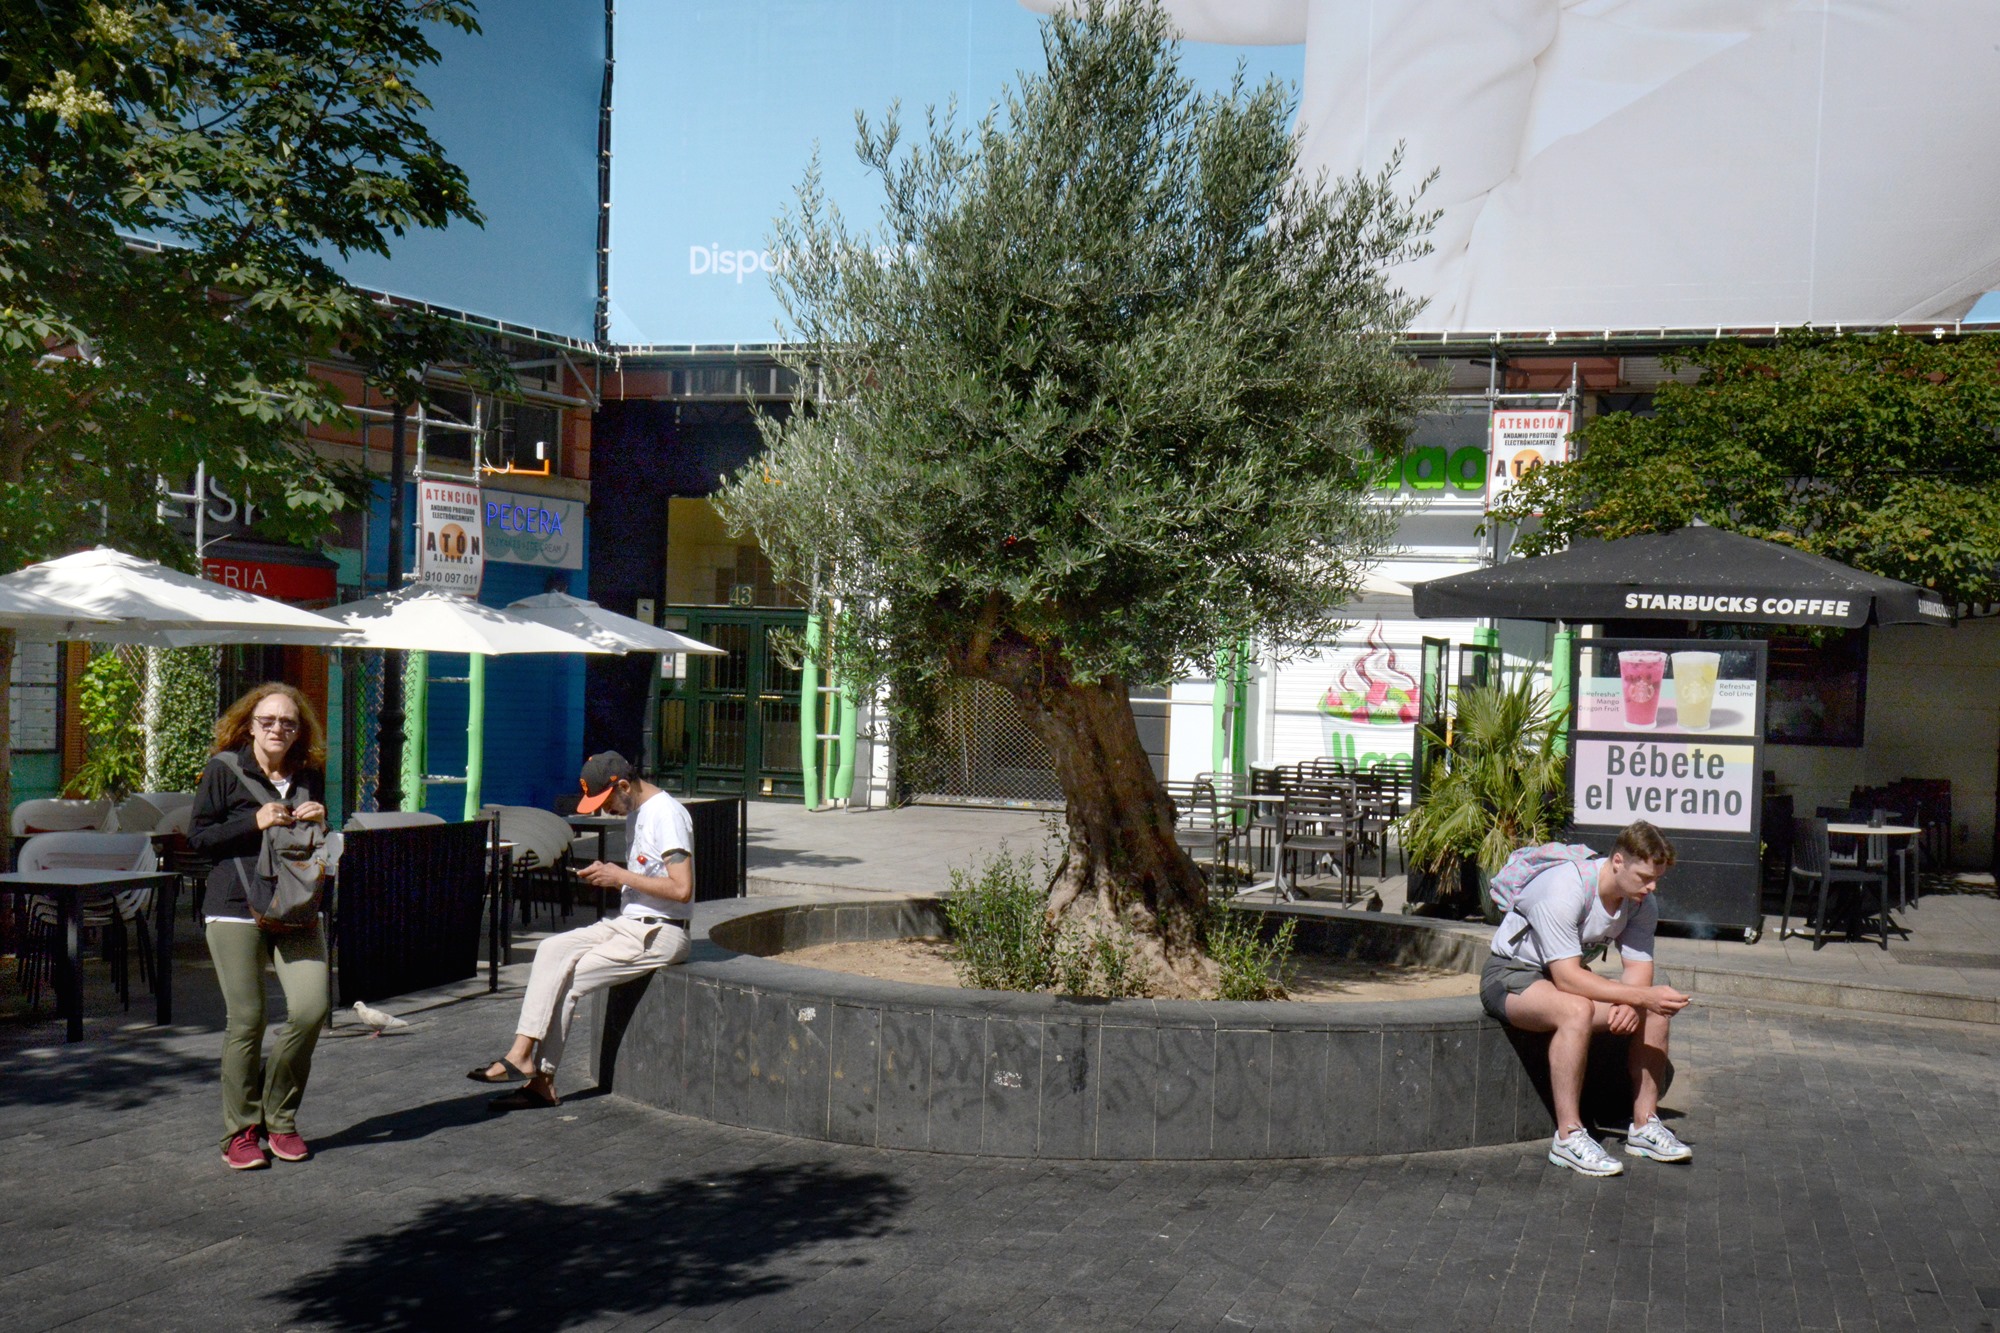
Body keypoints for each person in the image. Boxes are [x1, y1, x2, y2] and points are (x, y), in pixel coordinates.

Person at [468, 752, 693, 1110]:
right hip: (629, 924)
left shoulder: (667, 815)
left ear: (623, 785)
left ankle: (539, 1079)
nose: (607, 811)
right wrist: (613, 875)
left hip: (660, 933)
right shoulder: (639, 811)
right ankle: (521, 1054)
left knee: (569, 979)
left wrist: (618, 876)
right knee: (551, 951)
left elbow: (682, 889)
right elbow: (648, 877)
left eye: (607, 802)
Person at [1481, 820, 1692, 1177]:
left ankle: (1643, 1125)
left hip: (1562, 977)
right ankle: (1568, 1136)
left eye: (1657, 878)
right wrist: (1637, 995)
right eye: (1644, 877)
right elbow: (1567, 977)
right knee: (1576, 1010)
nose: (1651, 886)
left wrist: (1634, 1002)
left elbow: (1639, 969)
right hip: (1510, 976)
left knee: (1655, 1010)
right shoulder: (1566, 887)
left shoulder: (1641, 902)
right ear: (1618, 862)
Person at [187, 683, 331, 1171]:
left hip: (295, 906)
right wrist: (255, 822)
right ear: (249, 725)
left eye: (287, 723)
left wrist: (323, 818)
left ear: (299, 730)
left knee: (312, 1009)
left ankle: (280, 1119)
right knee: (247, 1020)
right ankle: (241, 1131)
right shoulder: (224, 769)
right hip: (234, 905)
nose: (277, 730)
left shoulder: (309, 774)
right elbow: (200, 839)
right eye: (267, 721)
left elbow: (320, 842)